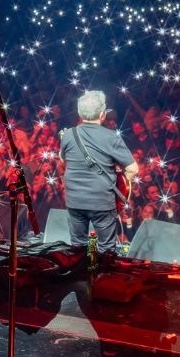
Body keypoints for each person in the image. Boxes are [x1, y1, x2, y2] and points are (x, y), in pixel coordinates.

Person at [59, 90, 139, 253]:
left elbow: (62, 158)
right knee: (106, 249)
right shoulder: (111, 137)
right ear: (102, 115)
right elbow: (132, 169)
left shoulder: (68, 134)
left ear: (80, 113)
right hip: (102, 203)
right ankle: (100, 277)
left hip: (75, 201)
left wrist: (64, 140)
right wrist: (120, 184)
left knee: (78, 247)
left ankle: (79, 276)